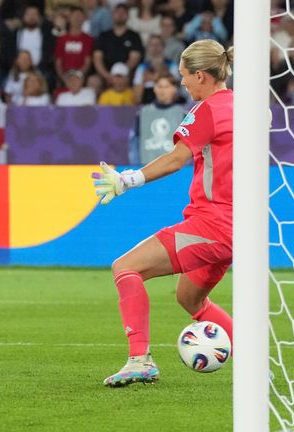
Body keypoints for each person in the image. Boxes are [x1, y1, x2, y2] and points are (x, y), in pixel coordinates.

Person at [93, 39, 234, 387]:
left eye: (184, 76)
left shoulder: (207, 110)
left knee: (125, 267)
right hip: (239, 225)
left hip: (213, 224)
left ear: (201, 75)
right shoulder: (244, 106)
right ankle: (258, 362)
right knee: (189, 297)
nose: (183, 83)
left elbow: (175, 158)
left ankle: (140, 360)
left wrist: (129, 179)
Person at [128, 74, 184, 165]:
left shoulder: (182, 114)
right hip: (146, 170)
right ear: (154, 89)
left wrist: (183, 167)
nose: (162, 90)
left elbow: (189, 146)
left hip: (174, 171)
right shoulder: (142, 113)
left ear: (174, 89)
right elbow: (134, 142)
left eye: (166, 87)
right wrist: (136, 167)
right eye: (159, 86)